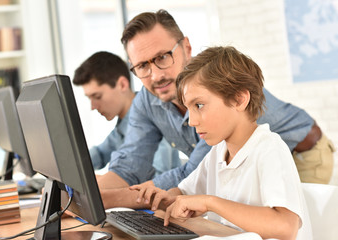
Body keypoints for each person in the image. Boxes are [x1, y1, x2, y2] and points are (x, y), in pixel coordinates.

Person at [98, 9, 334, 208]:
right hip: (243, 167)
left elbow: (190, 175)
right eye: (142, 66)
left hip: (300, 153)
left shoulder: (218, 84)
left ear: (186, 47)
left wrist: (111, 199)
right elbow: (130, 166)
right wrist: (84, 195)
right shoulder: (147, 101)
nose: (156, 75)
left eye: (162, 57)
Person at [130, 46, 312, 240]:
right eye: (189, 108)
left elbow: (285, 227)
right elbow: (185, 191)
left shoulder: (269, 149)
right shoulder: (218, 152)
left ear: (239, 99)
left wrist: (211, 203)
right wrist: (168, 198)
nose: (191, 121)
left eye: (199, 105)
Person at [72, 51, 181, 176]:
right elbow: (100, 154)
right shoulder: (122, 125)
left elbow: (159, 177)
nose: (93, 106)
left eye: (97, 96)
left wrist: (106, 183)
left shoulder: (153, 116)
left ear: (122, 85)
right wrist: (70, 165)